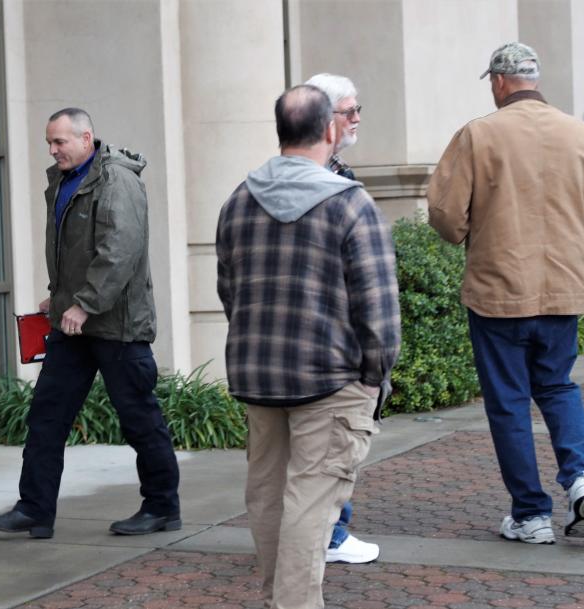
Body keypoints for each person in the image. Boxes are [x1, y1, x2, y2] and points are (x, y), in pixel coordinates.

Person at [216, 85, 400, 609]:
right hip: (332, 378)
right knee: (310, 504)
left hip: (259, 375)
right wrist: (375, 376)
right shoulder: (350, 204)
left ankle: (281, 597)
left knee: (269, 497)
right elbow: (379, 310)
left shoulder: (238, 199)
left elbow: (229, 291)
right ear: (328, 130)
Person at [427, 42, 584, 544]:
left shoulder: (479, 133)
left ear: (500, 81)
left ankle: (531, 515)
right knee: (558, 386)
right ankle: (580, 478)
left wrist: (469, 231)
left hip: (498, 287)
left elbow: (444, 214)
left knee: (508, 402)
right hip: (563, 287)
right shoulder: (579, 132)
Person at [0, 108, 181, 539]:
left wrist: (84, 302)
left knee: (138, 418)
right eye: (49, 143)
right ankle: (34, 509)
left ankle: (162, 507)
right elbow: (79, 249)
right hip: (74, 324)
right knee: (47, 415)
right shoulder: (63, 180)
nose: (52, 150)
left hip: (117, 325)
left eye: (60, 142)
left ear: (86, 138)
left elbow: (119, 251)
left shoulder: (117, 181)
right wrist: (62, 296)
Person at [306, 72, 379, 565]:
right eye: (348, 111)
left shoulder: (334, 176)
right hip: (327, 344)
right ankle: (330, 536)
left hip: (313, 341)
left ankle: (325, 533)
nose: (356, 119)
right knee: (332, 447)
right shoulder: (325, 183)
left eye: (357, 109)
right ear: (323, 119)